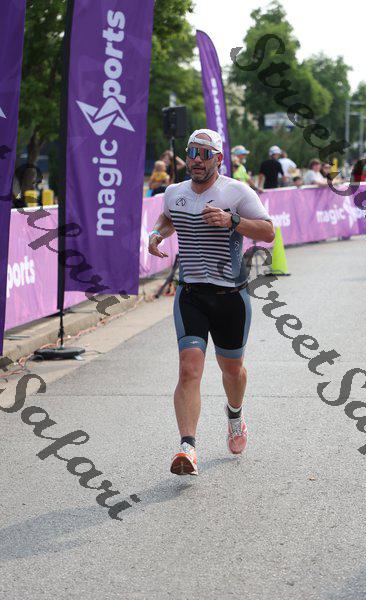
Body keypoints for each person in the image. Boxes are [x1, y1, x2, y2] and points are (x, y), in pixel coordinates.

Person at [148, 128, 274, 476]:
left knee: (232, 370)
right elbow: (168, 217)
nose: (197, 160)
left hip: (230, 297)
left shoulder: (236, 192)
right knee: (189, 369)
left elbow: (268, 231)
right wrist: (156, 234)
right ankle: (187, 447)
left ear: (218, 158)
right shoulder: (174, 192)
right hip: (191, 294)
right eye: (192, 152)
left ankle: (235, 414)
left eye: (205, 154)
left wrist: (233, 220)